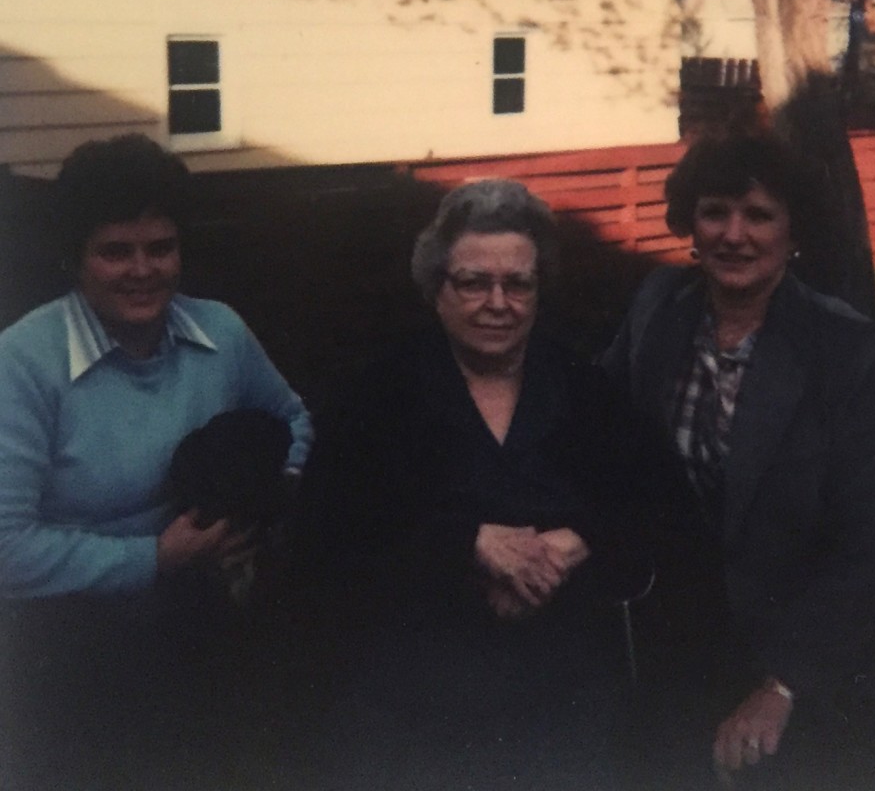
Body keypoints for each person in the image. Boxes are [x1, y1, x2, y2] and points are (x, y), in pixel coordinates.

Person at [601, 133, 875, 791]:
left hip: (838, 658)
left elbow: (868, 543)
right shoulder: (660, 306)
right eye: (715, 211)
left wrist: (782, 686)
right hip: (708, 636)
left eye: (759, 215)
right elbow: (597, 424)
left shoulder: (848, 350)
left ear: (794, 232)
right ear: (690, 224)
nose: (734, 234)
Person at [301, 178, 644, 791]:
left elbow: (651, 505)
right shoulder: (374, 399)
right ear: (437, 289)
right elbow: (324, 543)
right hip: (419, 714)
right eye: (473, 282)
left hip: (562, 708)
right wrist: (467, 545)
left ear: (540, 291)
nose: (497, 301)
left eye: (518, 284)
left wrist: (575, 542)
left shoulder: (586, 389)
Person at [0, 134, 313, 788]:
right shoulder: (22, 363)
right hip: (68, 647)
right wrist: (153, 559)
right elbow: (6, 547)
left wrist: (264, 507)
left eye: (160, 247)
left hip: (209, 624)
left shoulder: (220, 332)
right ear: (74, 258)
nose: (143, 269)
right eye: (116, 251)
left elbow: (295, 420)